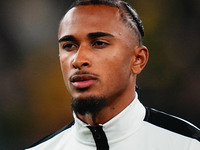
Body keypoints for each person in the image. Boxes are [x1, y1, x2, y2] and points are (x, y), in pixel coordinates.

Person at [26, 0, 200, 149]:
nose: (78, 60)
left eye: (99, 43)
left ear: (138, 59)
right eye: (69, 46)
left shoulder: (188, 145)